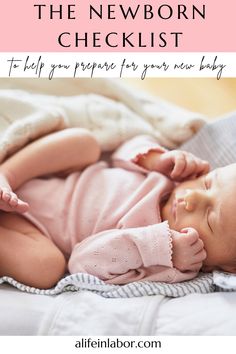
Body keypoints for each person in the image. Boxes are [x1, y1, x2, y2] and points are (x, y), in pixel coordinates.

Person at [0, 128, 234, 289]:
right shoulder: (171, 177)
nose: (191, 197)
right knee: (85, 143)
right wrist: (154, 160)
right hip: (38, 178)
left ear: (227, 268)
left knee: (45, 268)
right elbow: (121, 152)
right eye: (207, 183)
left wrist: (156, 246)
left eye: (209, 218)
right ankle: (6, 174)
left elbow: (82, 263)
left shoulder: (168, 265)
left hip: (29, 231)